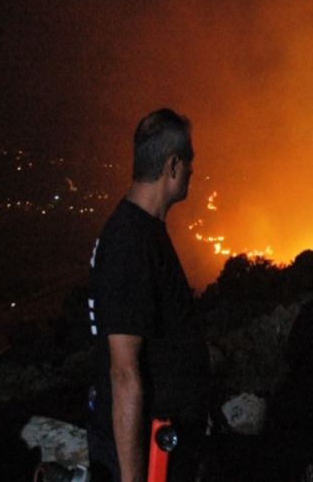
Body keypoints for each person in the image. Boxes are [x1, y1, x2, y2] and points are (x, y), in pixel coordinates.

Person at [86, 108, 210, 482]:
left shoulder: (142, 232)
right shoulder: (131, 242)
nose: (193, 171)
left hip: (167, 446)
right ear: (172, 166)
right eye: (189, 162)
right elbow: (123, 373)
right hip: (152, 456)